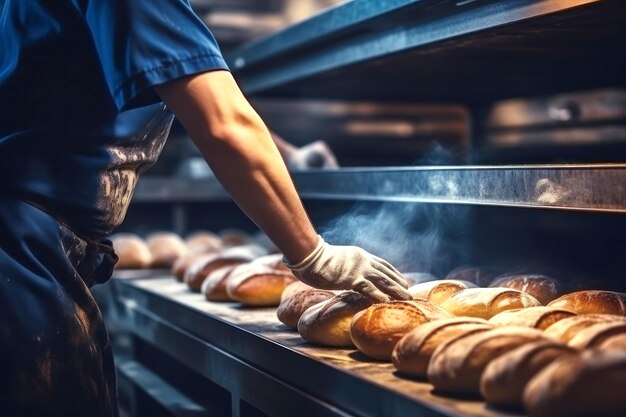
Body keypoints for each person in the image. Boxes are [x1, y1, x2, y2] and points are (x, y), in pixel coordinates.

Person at [0, 1, 411, 416]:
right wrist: (313, 253)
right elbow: (223, 124)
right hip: (20, 251)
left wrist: (286, 155)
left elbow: (180, 85)